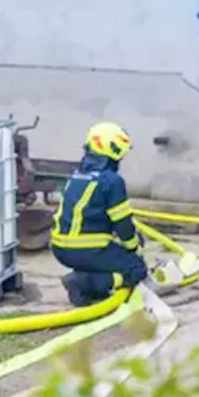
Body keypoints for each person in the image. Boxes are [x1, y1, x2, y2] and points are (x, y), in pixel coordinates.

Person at [51, 121, 148, 306]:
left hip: (60, 249)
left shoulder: (77, 175)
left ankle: (88, 287)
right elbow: (122, 223)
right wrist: (134, 247)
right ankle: (84, 283)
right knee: (136, 268)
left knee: (113, 258)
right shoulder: (112, 181)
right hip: (87, 250)